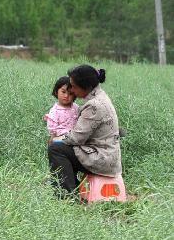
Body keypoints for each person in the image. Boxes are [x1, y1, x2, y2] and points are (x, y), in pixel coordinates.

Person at [48, 65, 122, 195]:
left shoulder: (94, 105)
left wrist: (54, 139)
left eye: (74, 87)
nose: (72, 91)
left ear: (85, 87)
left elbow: (76, 138)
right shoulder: (100, 96)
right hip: (106, 154)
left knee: (56, 148)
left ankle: (65, 195)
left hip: (101, 159)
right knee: (64, 147)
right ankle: (75, 188)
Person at [44, 76, 79, 143]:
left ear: (75, 95)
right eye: (63, 92)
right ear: (56, 92)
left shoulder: (76, 107)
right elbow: (53, 131)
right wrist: (52, 141)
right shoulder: (55, 111)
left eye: (70, 93)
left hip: (76, 134)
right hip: (61, 136)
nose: (66, 96)